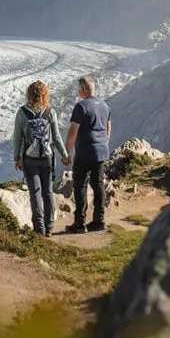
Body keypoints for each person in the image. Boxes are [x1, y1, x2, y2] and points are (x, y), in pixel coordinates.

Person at [12, 80, 69, 236]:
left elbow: (17, 137)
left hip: (29, 159)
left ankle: (39, 229)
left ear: (29, 94)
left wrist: (16, 157)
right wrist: (64, 155)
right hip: (47, 157)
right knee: (48, 192)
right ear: (45, 95)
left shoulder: (22, 112)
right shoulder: (50, 112)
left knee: (35, 193)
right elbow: (56, 137)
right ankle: (49, 226)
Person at [63, 75, 111, 234]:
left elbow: (72, 132)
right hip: (101, 151)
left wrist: (66, 152)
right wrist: (103, 144)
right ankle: (99, 221)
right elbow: (107, 128)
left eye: (79, 88)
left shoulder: (81, 106)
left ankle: (79, 223)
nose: (78, 91)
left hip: (85, 152)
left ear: (83, 89)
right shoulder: (105, 106)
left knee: (80, 185)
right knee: (98, 184)